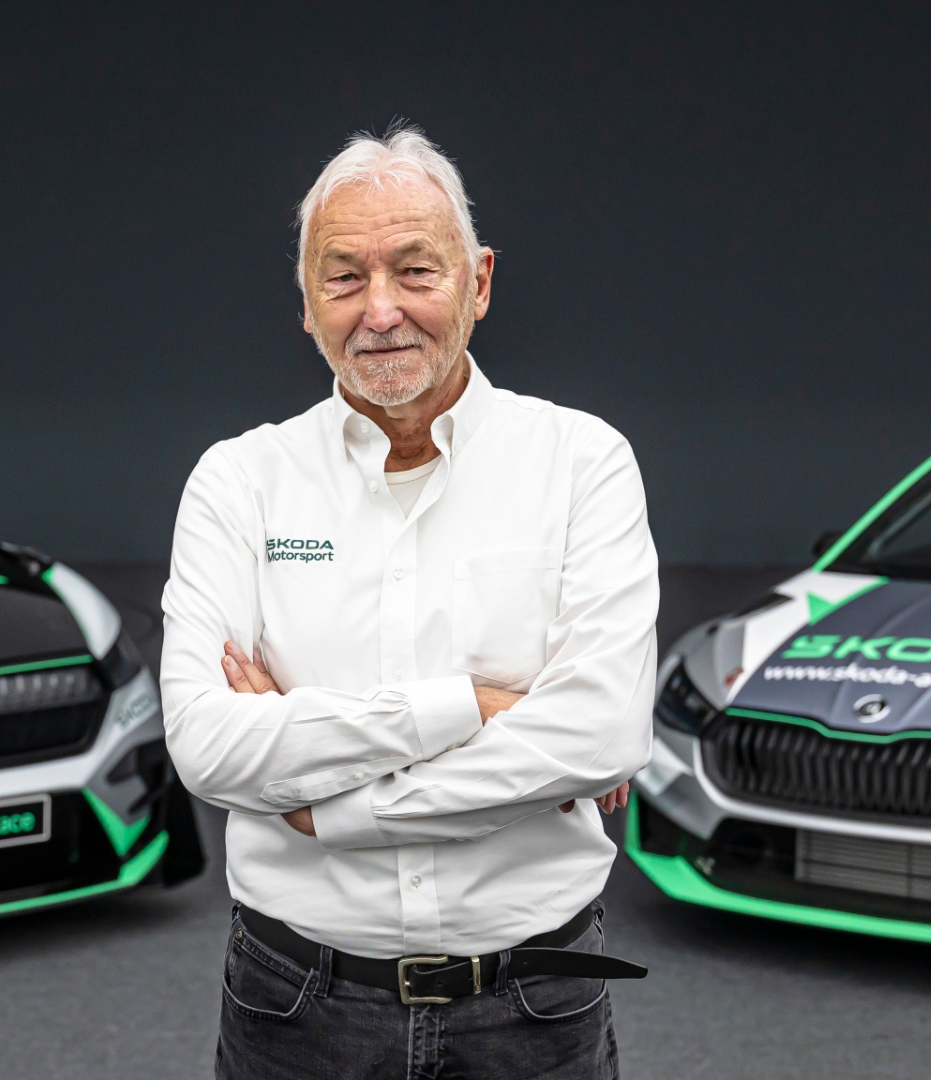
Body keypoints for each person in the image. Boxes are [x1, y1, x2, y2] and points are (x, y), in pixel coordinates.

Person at [160, 123, 658, 1079]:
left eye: (416, 271)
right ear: (307, 306)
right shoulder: (239, 482)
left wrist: (324, 808)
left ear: (479, 282)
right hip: (296, 1001)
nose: (380, 310)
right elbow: (209, 746)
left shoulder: (582, 463)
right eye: (344, 278)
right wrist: (471, 707)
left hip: (534, 1003)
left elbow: (599, 735)